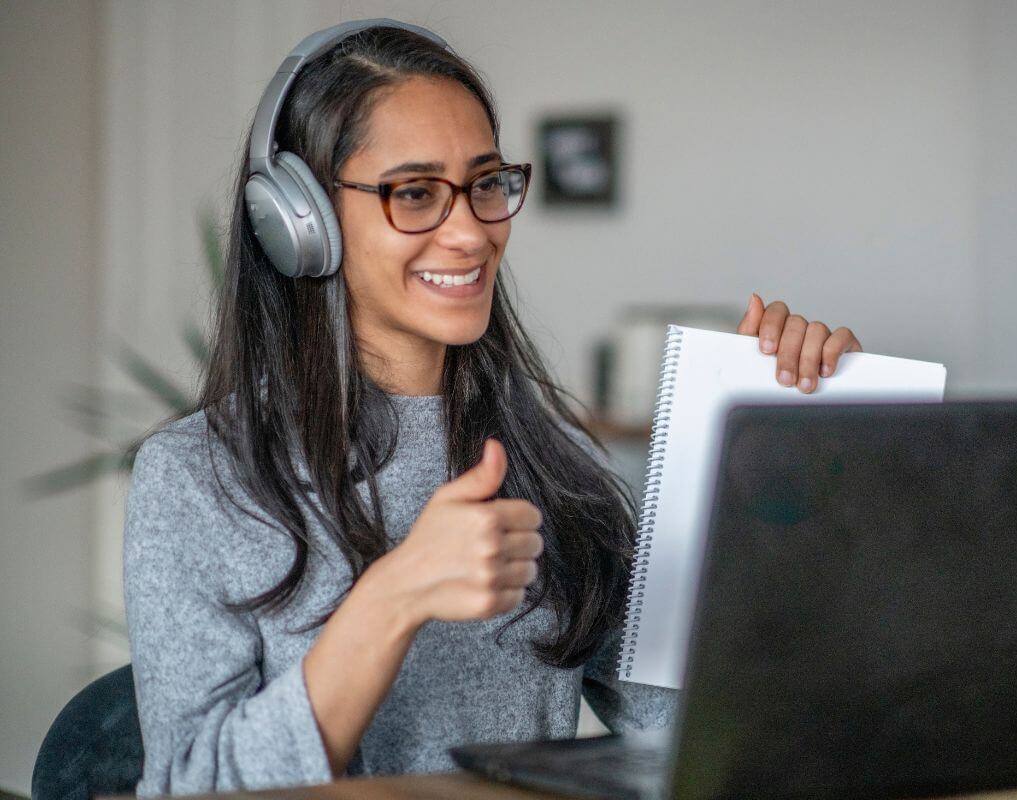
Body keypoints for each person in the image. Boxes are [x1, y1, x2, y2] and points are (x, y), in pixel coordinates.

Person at [122, 19, 863, 796]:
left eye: (484, 184)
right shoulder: (197, 477)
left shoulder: (553, 464)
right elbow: (187, 787)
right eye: (413, 193)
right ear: (297, 223)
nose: (471, 232)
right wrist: (395, 596)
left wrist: (788, 465)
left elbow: (696, 739)